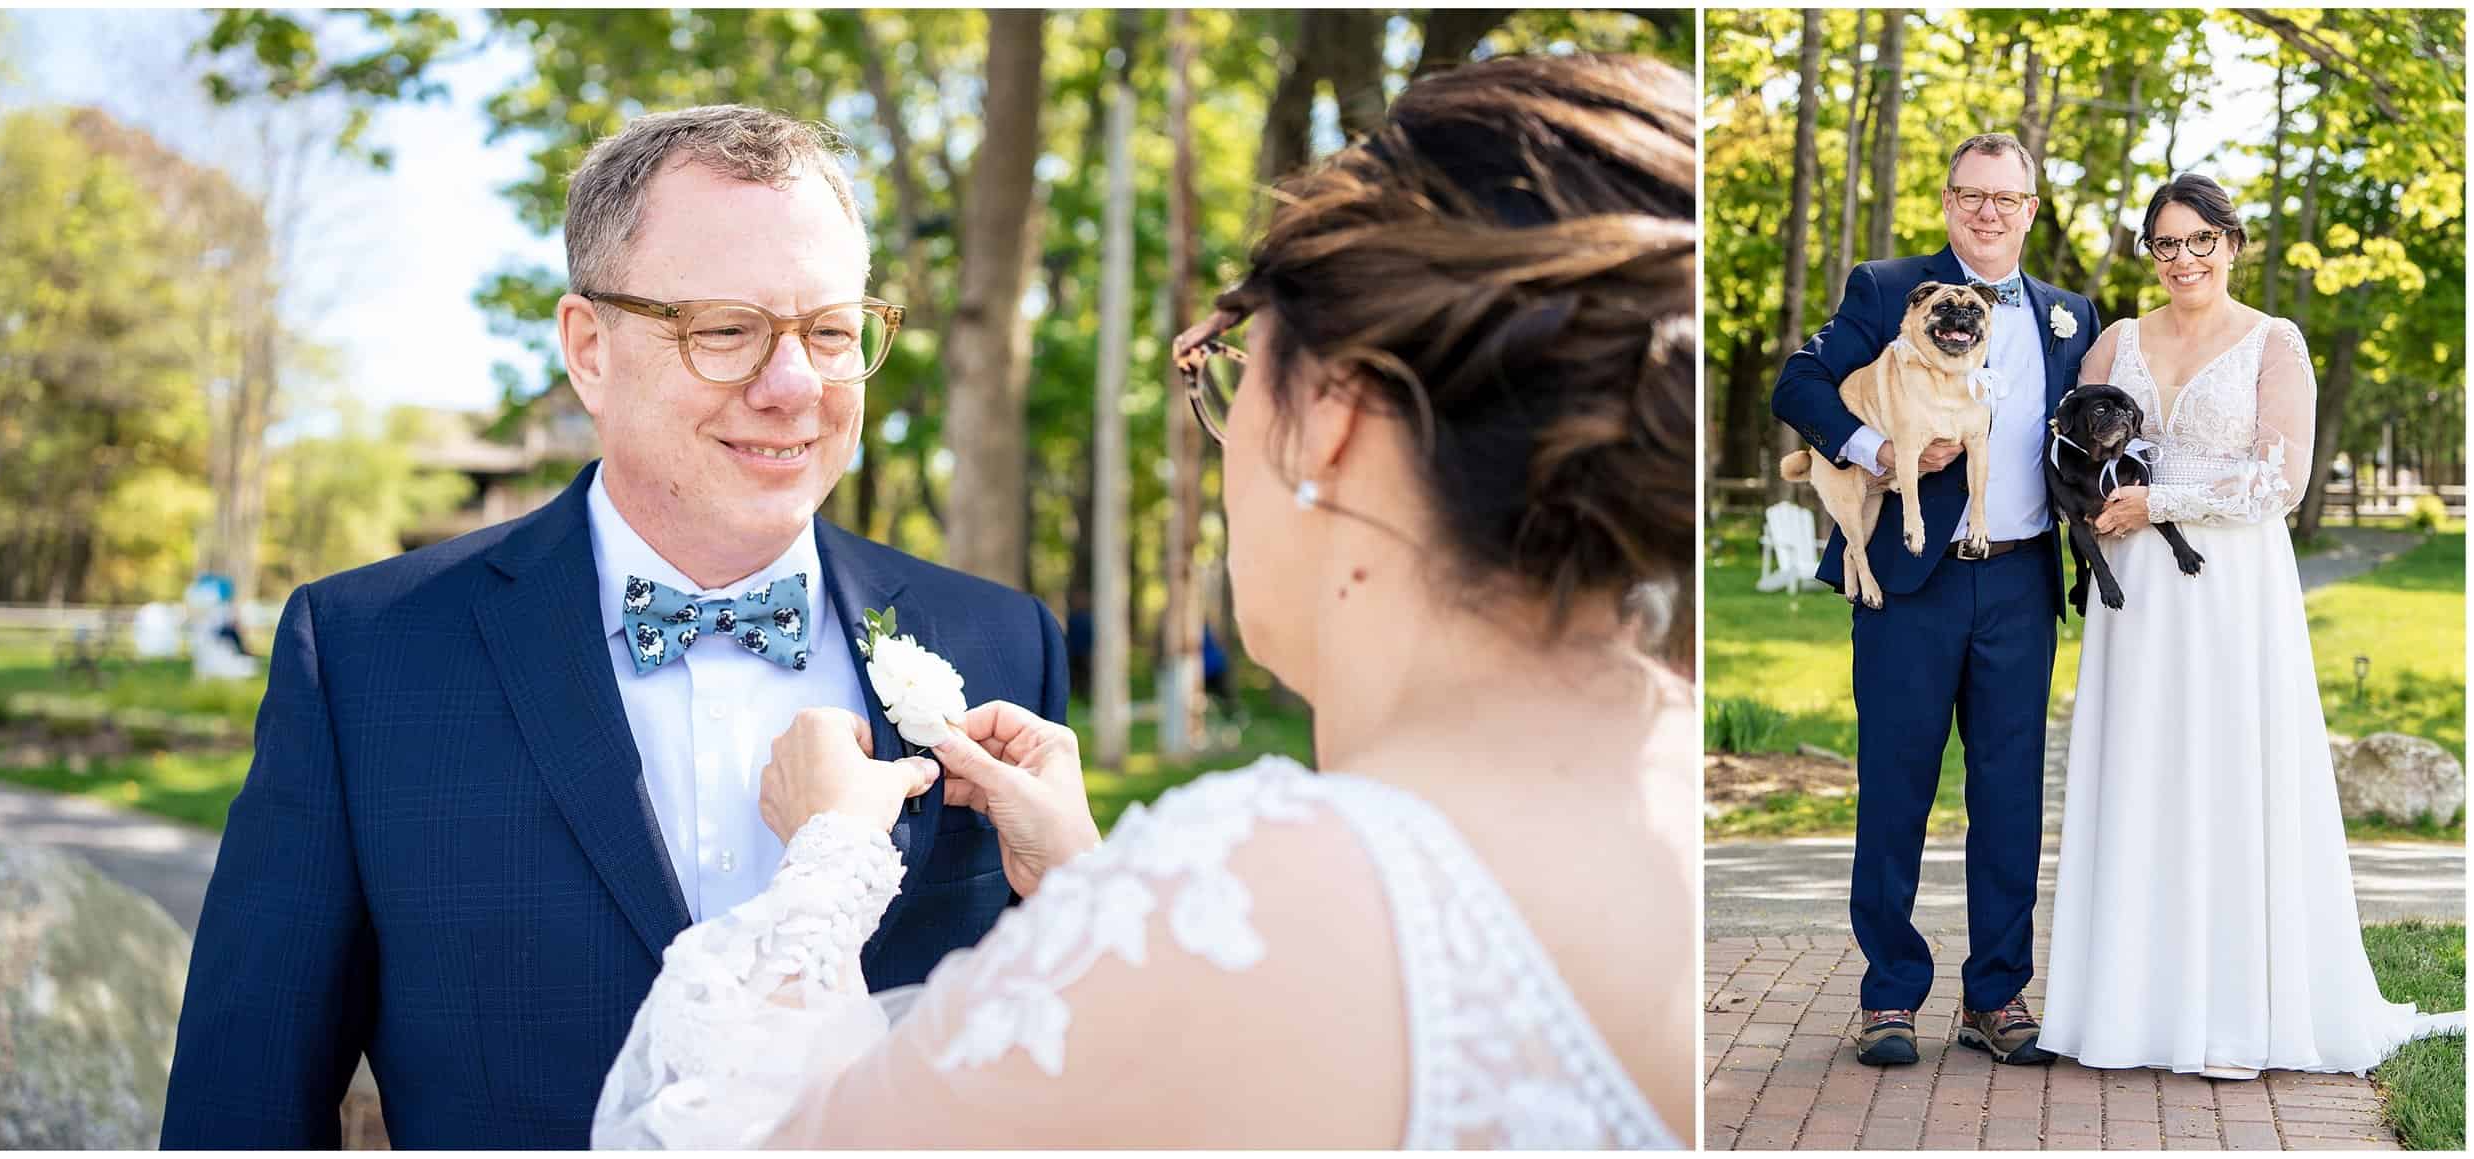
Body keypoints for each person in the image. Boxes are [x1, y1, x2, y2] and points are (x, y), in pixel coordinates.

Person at [588, 53, 1696, 1148]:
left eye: (1230, 367)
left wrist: (826, 865)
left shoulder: (1241, 899)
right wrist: (1089, 883)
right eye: (724, 329)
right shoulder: (1677, 805)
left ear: (1332, 417)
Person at [161, 106, 1065, 1148]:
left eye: (830, 331)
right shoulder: (366, 656)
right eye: (725, 330)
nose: (793, 387)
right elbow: (241, 1108)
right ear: (588, 349)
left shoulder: (1003, 645)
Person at [2039, 174, 2465, 1076]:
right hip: (2137, 595)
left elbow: (2283, 480)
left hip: (2231, 584)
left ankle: (2236, 1006)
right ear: (2149, 253)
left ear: (2233, 244)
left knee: (2229, 769)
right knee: (2141, 769)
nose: (2182, 259)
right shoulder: (2116, 340)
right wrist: (2101, 507)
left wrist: (2160, 500)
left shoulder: (2276, 341)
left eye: (2200, 241)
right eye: (2165, 244)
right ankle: (2128, 1007)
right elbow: (2067, 444)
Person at [1770, 132, 2100, 1068]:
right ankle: (1889, 996)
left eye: (2007, 197)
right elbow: (1799, 383)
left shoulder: (2069, 315)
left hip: (2020, 581)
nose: (1988, 210)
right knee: (1898, 784)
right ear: (1949, 199)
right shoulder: (1885, 288)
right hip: (1907, 581)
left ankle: (1996, 995)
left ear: (2032, 210)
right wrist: (1877, 452)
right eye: (1971, 193)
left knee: (2010, 797)